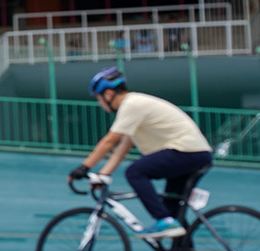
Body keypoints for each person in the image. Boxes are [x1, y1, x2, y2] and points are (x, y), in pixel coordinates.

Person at [70, 67, 213, 242]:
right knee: (172, 210)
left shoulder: (131, 105)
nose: (100, 104)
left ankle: (164, 221)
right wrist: (103, 175)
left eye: (98, 99)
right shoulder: (135, 108)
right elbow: (122, 148)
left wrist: (84, 168)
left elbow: (109, 141)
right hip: (194, 154)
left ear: (108, 94)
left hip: (187, 152)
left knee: (135, 172)